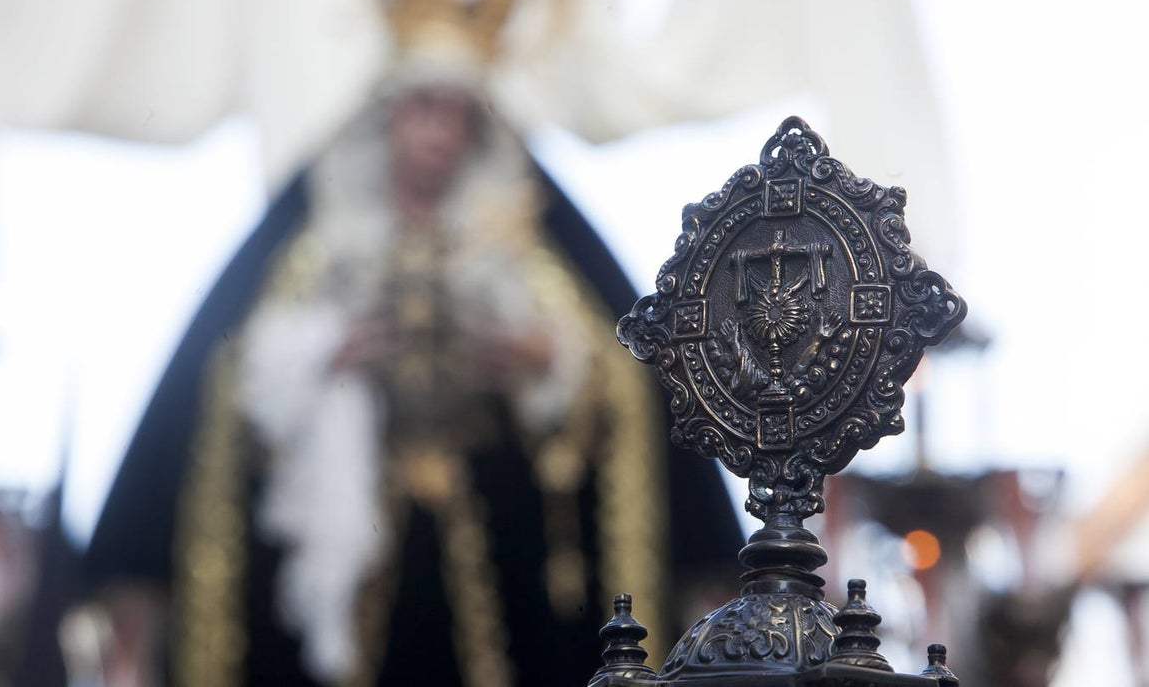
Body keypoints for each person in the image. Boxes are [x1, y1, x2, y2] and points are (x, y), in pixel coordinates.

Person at [82, 66, 743, 687]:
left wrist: (545, 363)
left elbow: (612, 374)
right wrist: (326, 355)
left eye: (459, 116)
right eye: (423, 110)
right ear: (388, 118)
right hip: (352, 522)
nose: (439, 135)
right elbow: (237, 376)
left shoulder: (522, 240)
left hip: (497, 528)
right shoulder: (322, 240)